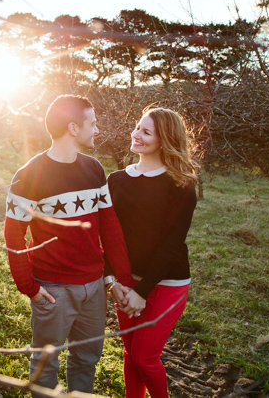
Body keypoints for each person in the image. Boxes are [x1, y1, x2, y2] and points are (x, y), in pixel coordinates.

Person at [4, 94, 134, 396]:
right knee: (45, 364)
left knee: (87, 360)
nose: (97, 130)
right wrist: (30, 288)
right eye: (93, 123)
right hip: (53, 290)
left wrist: (119, 277)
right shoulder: (27, 176)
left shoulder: (94, 169)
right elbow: (13, 237)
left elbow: (110, 227)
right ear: (73, 128)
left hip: (93, 288)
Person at [105, 107, 198, 398]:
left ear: (165, 140)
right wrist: (112, 281)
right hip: (125, 282)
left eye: (146, 132)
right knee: (130, 354)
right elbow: (107, 235)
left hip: (166, 284)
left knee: (145, 357)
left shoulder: (181, 184)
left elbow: (172, 244)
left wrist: (142, 291)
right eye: (137, 127)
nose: (136, 134)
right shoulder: (116, 180)